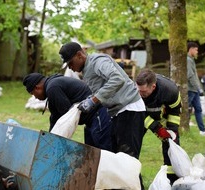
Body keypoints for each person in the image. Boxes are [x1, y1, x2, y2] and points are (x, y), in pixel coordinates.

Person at [59, 42, 146, 188]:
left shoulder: (98, 61)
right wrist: (88, 99)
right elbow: (102, 88)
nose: (70, 67)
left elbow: (117, 79)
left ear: (79, 55)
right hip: (118, 112)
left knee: (128, 160)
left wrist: (94, 99)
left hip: (130, 109)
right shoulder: (87, 69)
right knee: (118, 160)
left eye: (70, 62)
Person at [22, 73, 112, 151]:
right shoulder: (52, 86)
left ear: (37, 88)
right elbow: (54, 117)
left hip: (99, 114)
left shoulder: (52, 88)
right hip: (91, 119)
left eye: (33, 94)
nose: (35, 97)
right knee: (92, 151)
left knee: (103, 151)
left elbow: (67, 115)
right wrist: (49, 140)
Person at [136, 69, 181, 184]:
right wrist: (156, 128)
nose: (140, 94)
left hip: (161, 114)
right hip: (141, 116)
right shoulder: (133, 91)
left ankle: (172, 179)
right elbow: (138, 114)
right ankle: (132, 177)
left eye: (144, 92)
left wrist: (172, 130)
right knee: (132, 143)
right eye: (139, 91)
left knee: (172, 144)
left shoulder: (170, 90)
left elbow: (175, 111)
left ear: (153, 87)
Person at [187, 42, 205, 136]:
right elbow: (190, 76)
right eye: (196, 49)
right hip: (190, 89)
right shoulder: (188, 60)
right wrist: (198, 88)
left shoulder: (191, 60)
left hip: (194, 90)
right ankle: (182, 127)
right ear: (191, 49)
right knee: (186, 109)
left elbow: (194, 76)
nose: (197, 52)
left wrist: (199, 88)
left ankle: (202, 130)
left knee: (198, 109)